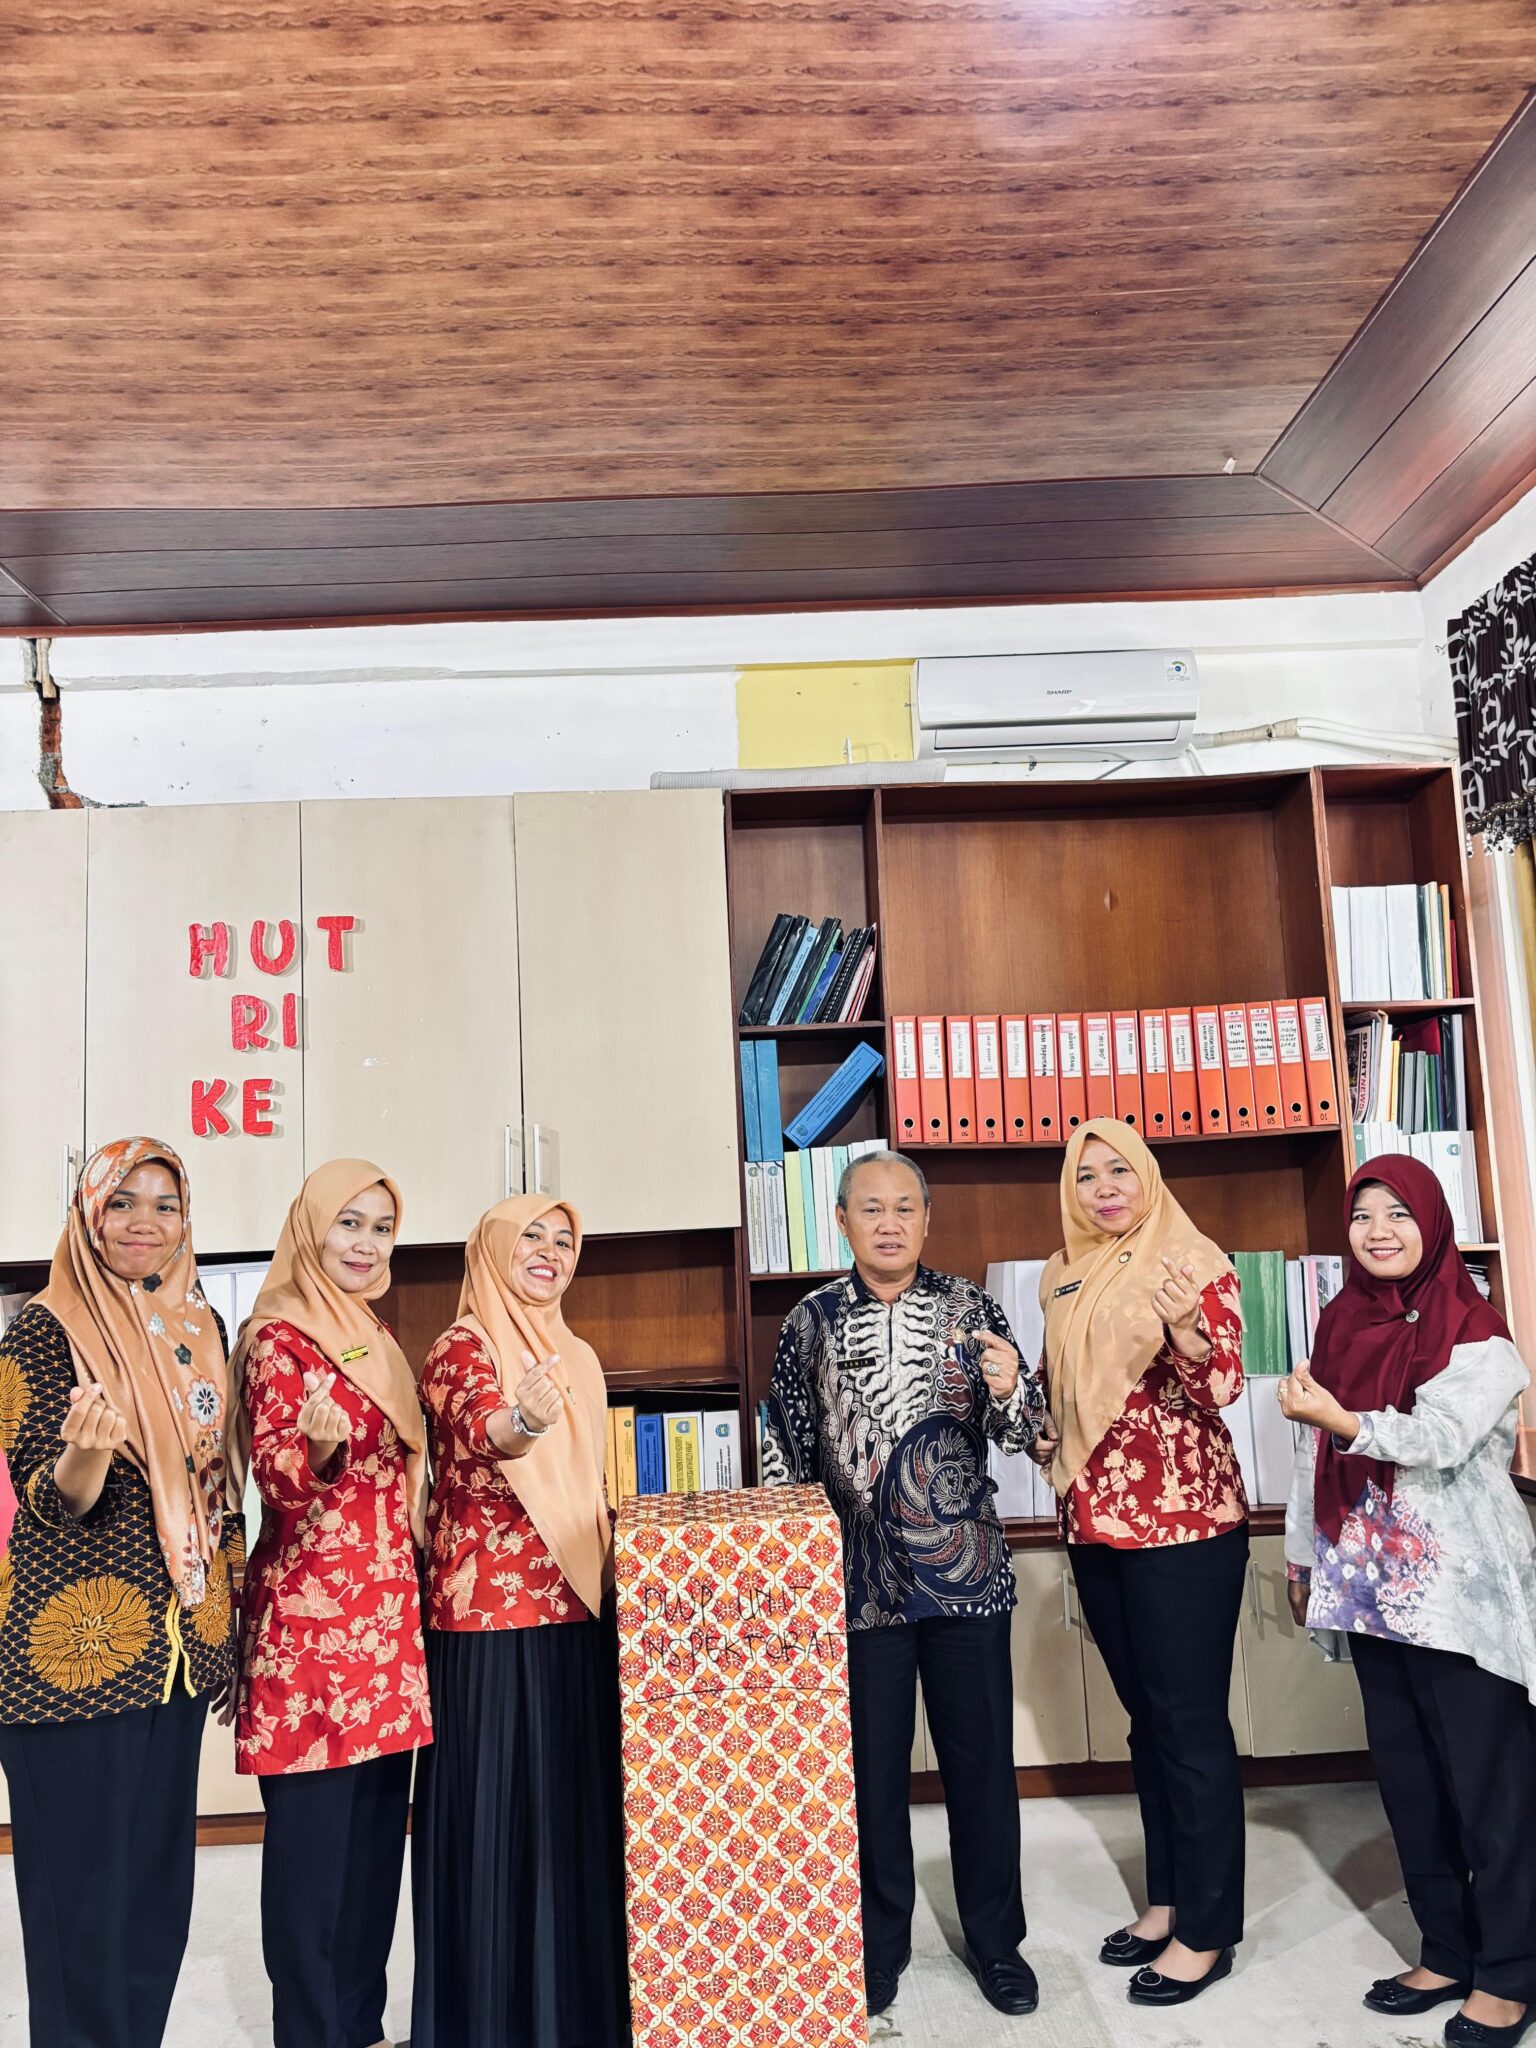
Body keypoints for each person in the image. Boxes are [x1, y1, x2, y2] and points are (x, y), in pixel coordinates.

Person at [761, 1148, 1042, 2020]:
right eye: (871, 1208)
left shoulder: (972, 1308)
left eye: (904, 1209)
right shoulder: (808, 1321)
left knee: (982, 1769)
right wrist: (790, 1580)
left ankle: (997, 1944)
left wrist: (1013, 1389)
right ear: (841, 1220)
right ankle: (876, 1948)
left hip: (967, 1580)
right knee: (870, 1779)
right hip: (857, 1585)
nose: (888, 1224)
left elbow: (1028, 1432)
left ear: (927, 1220)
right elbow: (784, 1455)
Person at [1280, 1157, 1536, 2048]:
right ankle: (1446, 1950)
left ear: (1434, 1222)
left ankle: (1510, 1972)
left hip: (1458, 1596)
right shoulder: (1341, 1322)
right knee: (1411, 1781)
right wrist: (1302, 1556)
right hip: (1371, 1588)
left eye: (1398, 1212)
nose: (1379, 1230)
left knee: (1490, 1788)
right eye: (1363, 1216)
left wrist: (1345, 1422)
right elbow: (1316, 1455)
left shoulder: (1478, 1333)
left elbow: (1440, 1435)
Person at [0, 1138, 244, 2048]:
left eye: (165, 1204)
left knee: (153, 1906)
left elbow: (220, 1490)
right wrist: (84, 1454)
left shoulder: (202, 1332)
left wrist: (225, 1625)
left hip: (175, 1656)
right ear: (88, 1214)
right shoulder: (42, 1330)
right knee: (81, 1918)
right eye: (123, 1202)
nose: (146, 1221)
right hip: (75, 1665)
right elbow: (45, 1495)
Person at [1030, 1120, 1247, 2008]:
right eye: (1087, 1176)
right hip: (1096, 1525)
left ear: (1149, 1176)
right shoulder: (1062, 1271)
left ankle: (1208, 1931)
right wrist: (1037, 1423)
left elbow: (1224, 1384)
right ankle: (1168, 1903)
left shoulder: (1191, 1260)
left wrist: (1188, 1335)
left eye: (1121, 1170)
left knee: (1189, 1727)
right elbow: (1064, 1393)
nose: (1106, 1188)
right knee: (1147, 1724)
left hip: (1184, 1524)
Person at [410, 1194, 630, 2048]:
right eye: (531, 1236)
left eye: (564, 1240)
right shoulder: (460, 1346)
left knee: (571, 1818)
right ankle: (493, 2023)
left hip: (579, 1611)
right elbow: (484, 1427)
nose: (550, 1251)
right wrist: (526, 1420)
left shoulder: (577, 1352)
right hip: (489, 1627)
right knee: (498, 1825)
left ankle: (576, 2016)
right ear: (493, 1249)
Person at [233, 1159, 432, 2048]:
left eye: (381, 1228)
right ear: (310, 1228)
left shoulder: (372, 1332)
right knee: (312, 1868)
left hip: (385, 1630)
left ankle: (361, 2027)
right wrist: (315, 1453)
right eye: (348, 1223)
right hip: (311, 1636)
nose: (366, 1244)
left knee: (373, 1857)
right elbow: (276, 1477)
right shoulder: (278, 1337)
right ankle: (310, 2035)